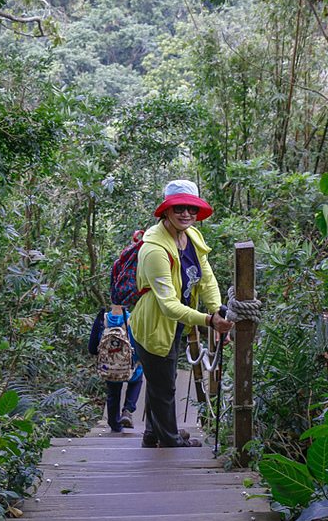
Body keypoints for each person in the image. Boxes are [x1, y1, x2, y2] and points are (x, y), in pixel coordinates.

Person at [130, 179, 234, 448]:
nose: (186, 214)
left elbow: (206, 279)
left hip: (177, 324)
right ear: (166, 210)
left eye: (191, 208)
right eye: (179, 208)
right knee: (165, 386)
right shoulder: (154, 249)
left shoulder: (192, 237)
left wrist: (216, 308)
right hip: (154, 325)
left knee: (161, 380)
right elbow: (168, 305)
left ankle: (153, 434)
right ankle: (171, 439)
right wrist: (210, 321)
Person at [88, 304, 144, 433]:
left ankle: (115, 424)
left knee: (113, 393)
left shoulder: (103, 319)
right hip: (130, 366)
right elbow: (140, 342)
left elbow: (92, 347)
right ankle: (128, 410)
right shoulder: (133, 319)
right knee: (136, 380)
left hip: (109, 367)